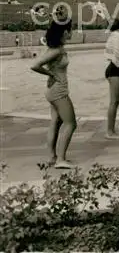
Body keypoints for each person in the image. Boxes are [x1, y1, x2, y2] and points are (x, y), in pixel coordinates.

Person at [30, 14, 77, 169]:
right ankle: (61, 159)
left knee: (56, 122)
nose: (72, 32)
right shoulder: (56, 50)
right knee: (71, 124)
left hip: (53, 90)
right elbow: (35, 65)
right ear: (65, 32)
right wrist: (50, 74)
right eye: (70, 29)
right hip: (58, 92)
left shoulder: (55, 48)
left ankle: (52, 157)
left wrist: (51, 74)